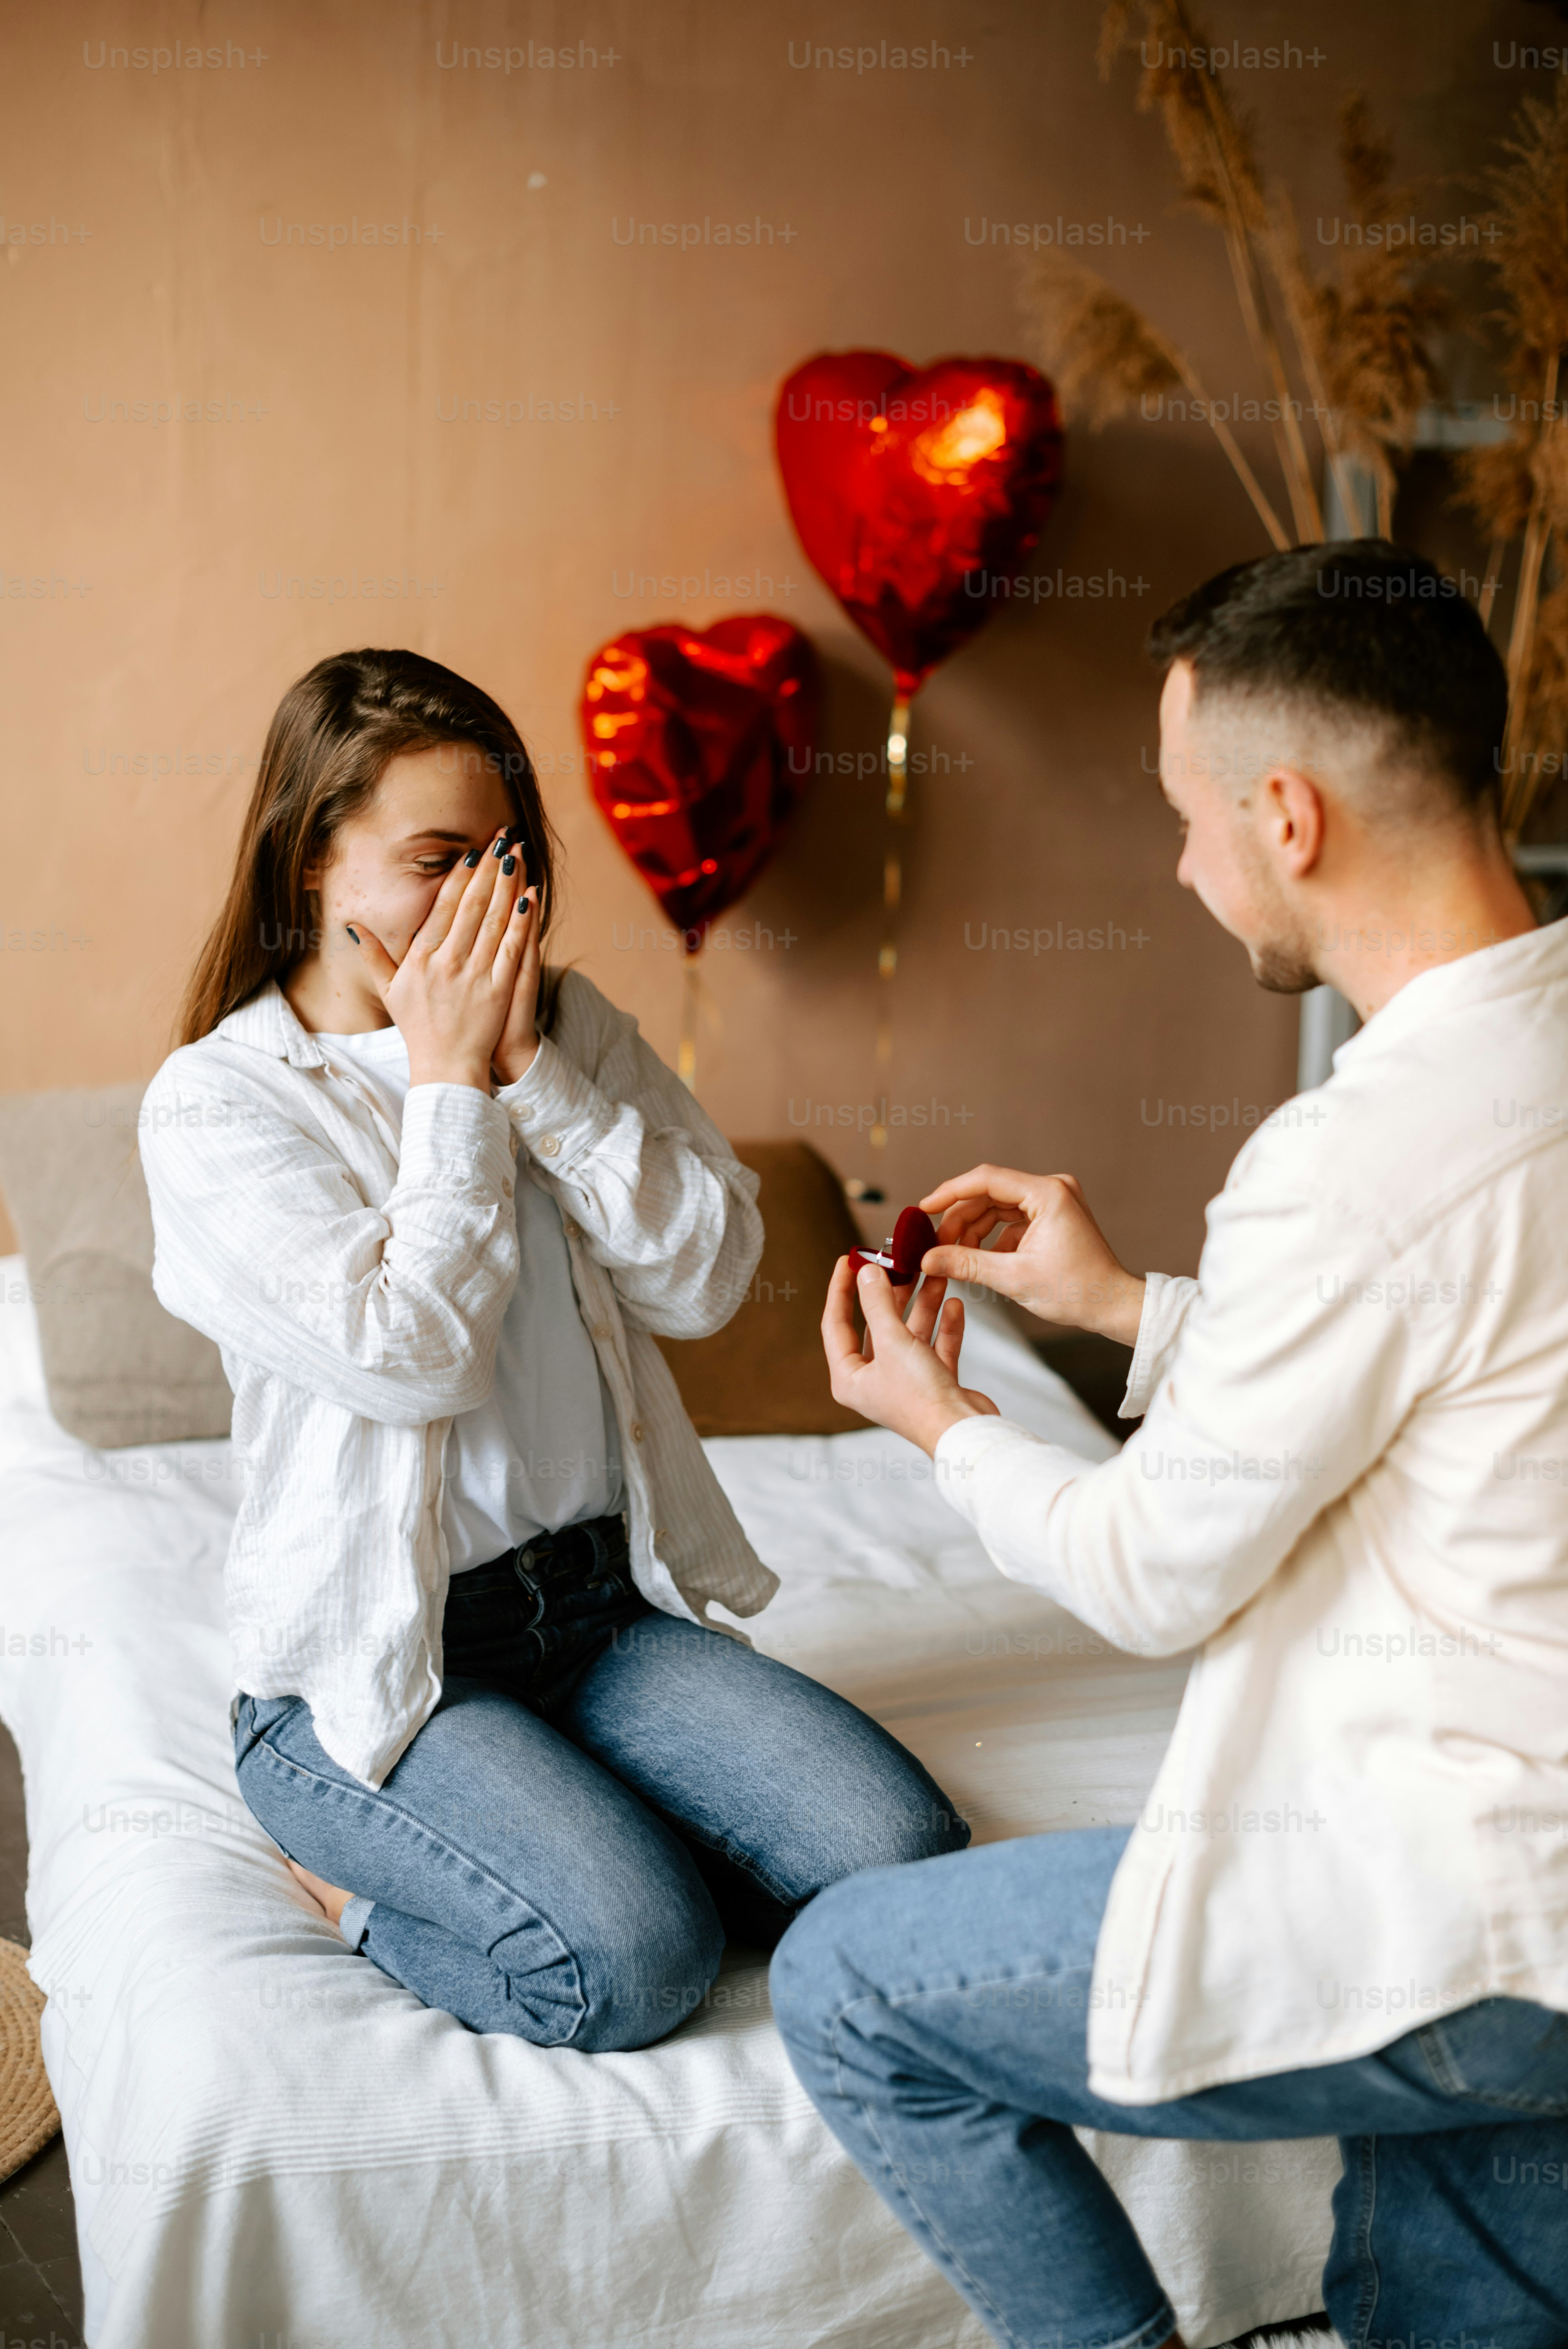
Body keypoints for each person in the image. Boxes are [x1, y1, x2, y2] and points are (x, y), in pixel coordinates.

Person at [771, 543, 1568, 2349]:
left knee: (850, 1989)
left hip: (1470, 1909)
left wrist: (945, 1423)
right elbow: (1469, 1374)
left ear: (1285, 815)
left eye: (1184, 814)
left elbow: (1148, 1572)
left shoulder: (1356, 1154)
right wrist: (1133, 1308)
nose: (1183, 863)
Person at [140, 646, 967, 2053]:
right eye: (438, 859)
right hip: (379, 1671)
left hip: (596, 1622)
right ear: (310, 870)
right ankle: (355, 1888)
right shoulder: (221, 1106)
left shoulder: (570, 1029)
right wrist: (449, 1080)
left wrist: (534, 1075)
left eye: (508, 860)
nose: (491, 903)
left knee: (904, 1860)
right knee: (638, 1964)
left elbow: (708, 1279)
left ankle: (581, 1807)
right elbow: (414, 1355)